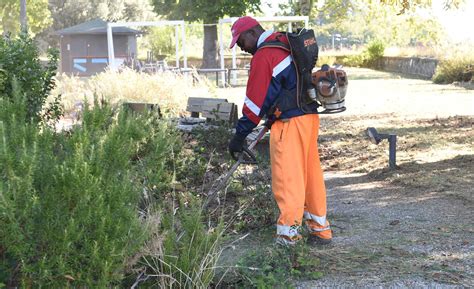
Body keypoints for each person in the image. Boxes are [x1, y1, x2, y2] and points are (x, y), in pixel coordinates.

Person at [228, 16, 332, 246]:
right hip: (308, 118)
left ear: (252, 33)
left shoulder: (266, 55)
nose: (242, 48)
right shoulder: (284, 42)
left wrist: (239, 135)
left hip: (289, 124)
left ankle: (288, 237)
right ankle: (320, 230)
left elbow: (255, 103)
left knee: (288, 179)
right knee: (310, 175)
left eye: (241, 41)